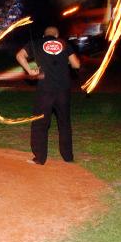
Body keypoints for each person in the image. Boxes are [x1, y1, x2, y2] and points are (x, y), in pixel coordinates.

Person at [15, 26, 80, 165]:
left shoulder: (37, 42)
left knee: (40, 124)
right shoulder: (64, 43)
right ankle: (68, 157)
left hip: (45, 90)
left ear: (44, 35)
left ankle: (39, 158)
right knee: (64, 123)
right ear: (57, 34)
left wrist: (30, 71)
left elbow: (19, 55)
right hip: (63, 90)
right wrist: (65, 61)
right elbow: (76, 65)